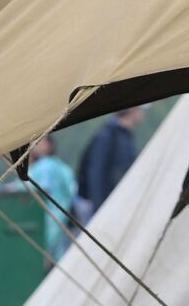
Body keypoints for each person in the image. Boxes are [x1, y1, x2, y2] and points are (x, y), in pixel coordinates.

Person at [76, 106, 143, 219]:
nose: (142, 113)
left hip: (120, 206)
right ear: (133, 110)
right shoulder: (106, 136)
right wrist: (99, 209)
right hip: (107, 208)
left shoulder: (125, 137)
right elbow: (95, 173)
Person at [26, 135, 77, 263]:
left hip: (46, 226)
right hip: (59, 224)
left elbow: (24, 190)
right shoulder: (62, 168)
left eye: (38, 142)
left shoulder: (45, 167)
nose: (33, 146)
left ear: (49, 144)